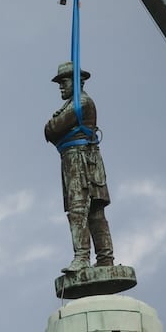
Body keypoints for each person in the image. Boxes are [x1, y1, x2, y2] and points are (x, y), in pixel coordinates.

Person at [44, 61, 115, 273]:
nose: (60, 87)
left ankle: (83, 257)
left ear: (77, 82)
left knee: (80, 210)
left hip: (81, 161)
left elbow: (52, 129)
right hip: (76, 159)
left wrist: (51, 126)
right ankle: (104, 258)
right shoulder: (73, 104)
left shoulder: (81, 103)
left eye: (64, 82)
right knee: (92, 212)